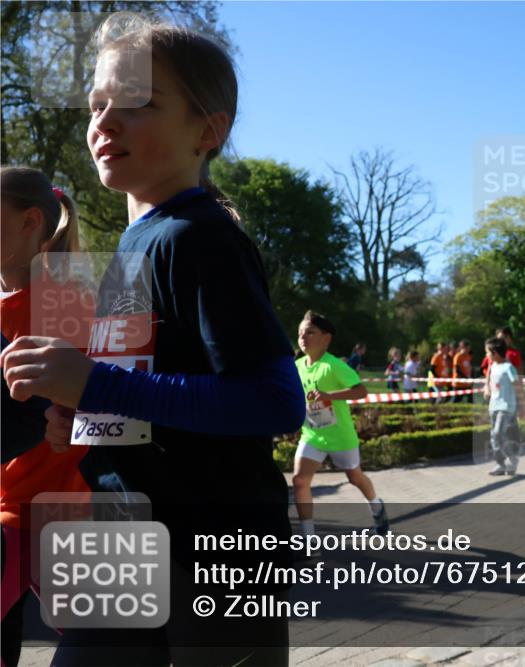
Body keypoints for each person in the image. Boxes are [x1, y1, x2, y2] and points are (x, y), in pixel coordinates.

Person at [1, 15, 303, 664]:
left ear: (207, 130)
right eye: (96, 104)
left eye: (135, 103)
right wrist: (84, 417)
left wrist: (94, 384)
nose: (104, 121)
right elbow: (149, 400)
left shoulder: (201, 237)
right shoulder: (137, 245)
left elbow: (276, 400)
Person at [0, 167, 90, 667]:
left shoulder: (68, 309)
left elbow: (107, 402)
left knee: (115, 641)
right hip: (22, 511)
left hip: (42, 514)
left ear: (29, 222)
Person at [294, 311, 389, 536]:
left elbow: (361, 391)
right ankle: (308, 539)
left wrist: (329, 396)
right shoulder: (296, 365)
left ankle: (377, 507)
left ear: (326, 339)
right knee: (300, 481)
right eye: (300, 333)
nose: (303, 337)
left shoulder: (333, 365)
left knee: (354, 477)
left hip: (341, 436)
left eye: (310, 332)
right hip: (312, 435)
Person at [483, 336, 522, 476]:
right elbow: (489, 377)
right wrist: (486, 388)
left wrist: (522, 407)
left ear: (495, 352)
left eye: (487, 352)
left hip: (506, 406)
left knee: (499, 433)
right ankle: (500, 464)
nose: (486, 355)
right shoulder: (493, 366)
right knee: (494, 435)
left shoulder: (508, 367)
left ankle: (512, 459)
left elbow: (517, 386)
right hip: (493, 405)